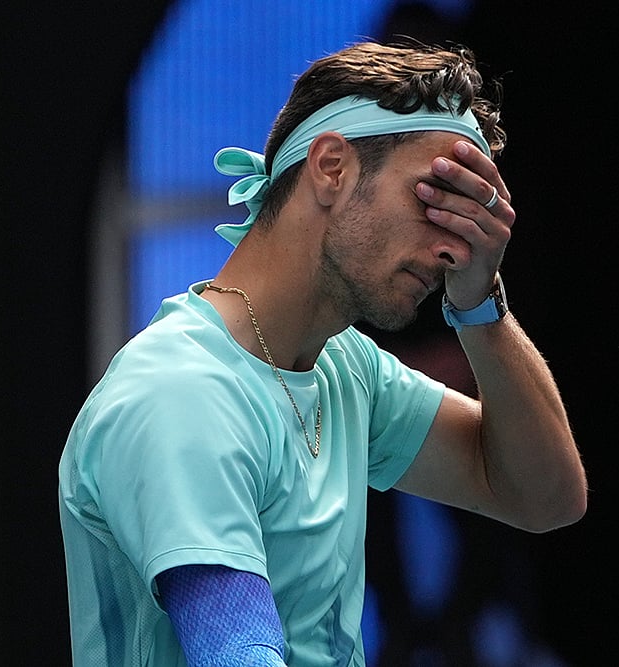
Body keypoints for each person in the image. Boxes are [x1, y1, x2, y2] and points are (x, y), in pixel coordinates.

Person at [58, 40, 588, 666]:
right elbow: (237, 653)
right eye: (431, 200)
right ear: (332, 167)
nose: (453, 249)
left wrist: (479, 304)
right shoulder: (180, 392)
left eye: (464, 218)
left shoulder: (345, 369)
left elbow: (545, 498)